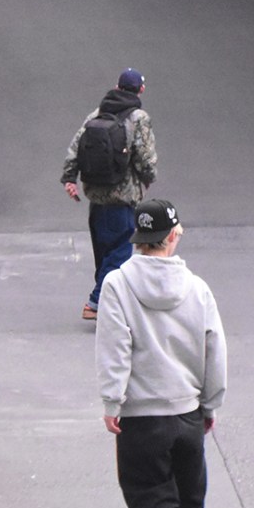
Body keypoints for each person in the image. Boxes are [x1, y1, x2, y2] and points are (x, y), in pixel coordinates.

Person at [95, 199, 227, 508]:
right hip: (187, 409)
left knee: (147, 492)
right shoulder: (198, 288)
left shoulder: (118, 285)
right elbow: (214, 349)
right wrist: (210, 402)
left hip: (142, 413)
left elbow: (115, 348)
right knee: (188, 494)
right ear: (173, 236)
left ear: (138, 238)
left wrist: (112, 401)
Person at [61, 68, 157, 321]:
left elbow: (75, 147)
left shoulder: (96, 114)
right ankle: (96, 301)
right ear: (141, 90)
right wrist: (148, 179)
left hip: (95, 194)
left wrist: (70, 178)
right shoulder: (138, 118)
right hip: (122, 196)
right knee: (120, 252)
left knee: (104, 252)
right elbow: (145, 158)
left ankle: (109, 300)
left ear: (117, 86)